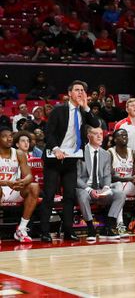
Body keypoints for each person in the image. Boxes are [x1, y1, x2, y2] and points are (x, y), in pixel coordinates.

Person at [39, 80, 101, 243]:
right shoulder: (59, 110)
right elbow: (49, 133)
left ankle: (68, 231)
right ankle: (44, 232)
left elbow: (96, 124)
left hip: (71, 159)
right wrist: (56, 149)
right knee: (49, 195)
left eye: (83, 90)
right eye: (77, 90)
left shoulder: (83, 111)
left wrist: (86, 106)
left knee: (70, 196)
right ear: (69, 93)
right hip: (54, 158)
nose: (81, 92)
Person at [76, 126, 126, 240]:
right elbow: (76, 178)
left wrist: (106, 187)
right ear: (89, 136)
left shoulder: (105, 154)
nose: (99, 136)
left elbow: (107, 175)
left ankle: (108, 227)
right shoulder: (81, 152)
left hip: (100, 189)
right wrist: (89, 190)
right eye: (96, 134)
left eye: (101, 134)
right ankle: (90, 228)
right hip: (85, 189)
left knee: (120, 195)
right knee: (82, 195)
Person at [0, 125, 40, 243]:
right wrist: (7, 182)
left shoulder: (18, 153)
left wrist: (23, 181)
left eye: (11, 136)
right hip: (2, 187)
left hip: (13, 189)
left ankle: (21, 229)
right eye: (4, 137)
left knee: (34, 186)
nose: (9, 139)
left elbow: (29, 175)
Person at [109, 129, 135, 236]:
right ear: (115, 139)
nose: (125, 137)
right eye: (121, 136)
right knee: (118, 185)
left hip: (127, 186)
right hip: (113, 186)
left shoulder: (133, 153)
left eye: (126, 135)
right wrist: (128, 179)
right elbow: (110, 177)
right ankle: (120, 224)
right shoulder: (110, 153)